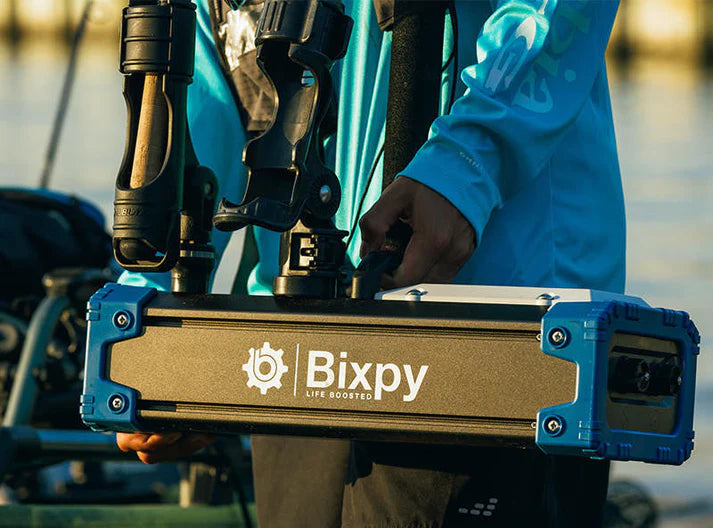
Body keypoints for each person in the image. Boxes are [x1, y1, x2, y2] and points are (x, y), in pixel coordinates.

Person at [117, 0, 625, 525]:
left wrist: (465, 165)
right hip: (288, 357)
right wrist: (149, 342)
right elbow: (196, 108)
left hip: (497, 337)